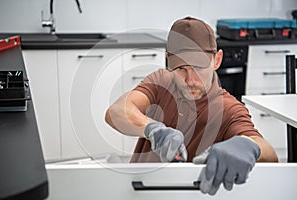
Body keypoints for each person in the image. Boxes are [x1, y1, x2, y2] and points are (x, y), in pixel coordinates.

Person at [105, 16, 278, 195]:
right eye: (181, 68)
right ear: (168, 61)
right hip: (140, 191)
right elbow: (116, 112)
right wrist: (153, 130)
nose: (191, 80)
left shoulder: (228, 109)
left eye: (200, 67)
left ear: (216, 60)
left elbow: (270, 156)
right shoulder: (161, 82)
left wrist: (247, 144)